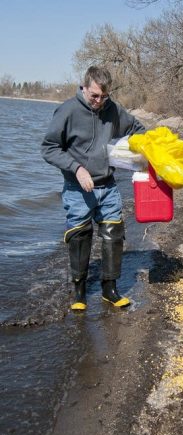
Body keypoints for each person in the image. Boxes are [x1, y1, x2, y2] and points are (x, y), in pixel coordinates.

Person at [42, 66, 145, 311]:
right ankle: (79, 292)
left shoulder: (113, 109)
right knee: (79, 234)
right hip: (78, 187)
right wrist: (77, 169)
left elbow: (138, 130)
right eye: (94, 96)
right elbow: (49, 148)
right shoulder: (67, 110)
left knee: (114, 234)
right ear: (84, 88)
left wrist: (131, 152)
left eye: (104, 96)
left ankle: (110, 289)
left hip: (108, 185)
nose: (99, 102)